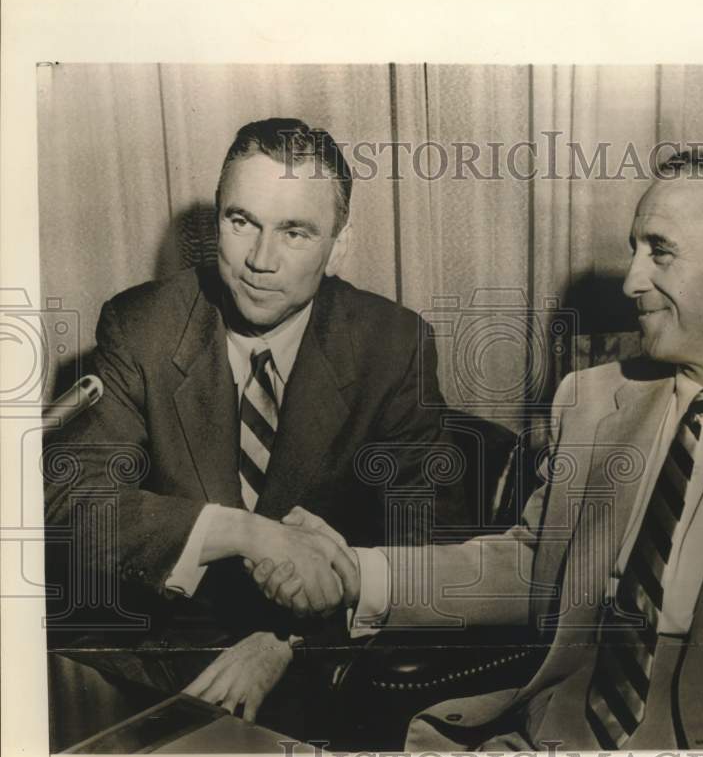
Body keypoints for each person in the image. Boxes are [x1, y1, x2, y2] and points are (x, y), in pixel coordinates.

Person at [250, 149, 703, 750]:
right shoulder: (593, 400)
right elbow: (534, 568)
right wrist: (358, 572)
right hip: (554, 750)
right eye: (634, 249)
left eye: (659, 251)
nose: (631, 280)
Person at [44, 118, 463, 722]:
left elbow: (428, 546)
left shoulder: (392, 344)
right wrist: (244, 531)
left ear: (339, 244)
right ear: (216, 219)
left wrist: (287, 643)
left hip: (323, 670)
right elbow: (68, 502)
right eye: (241, 222)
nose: (260, 261)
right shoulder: (143, 325)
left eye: (295, 232)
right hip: (155, 653)